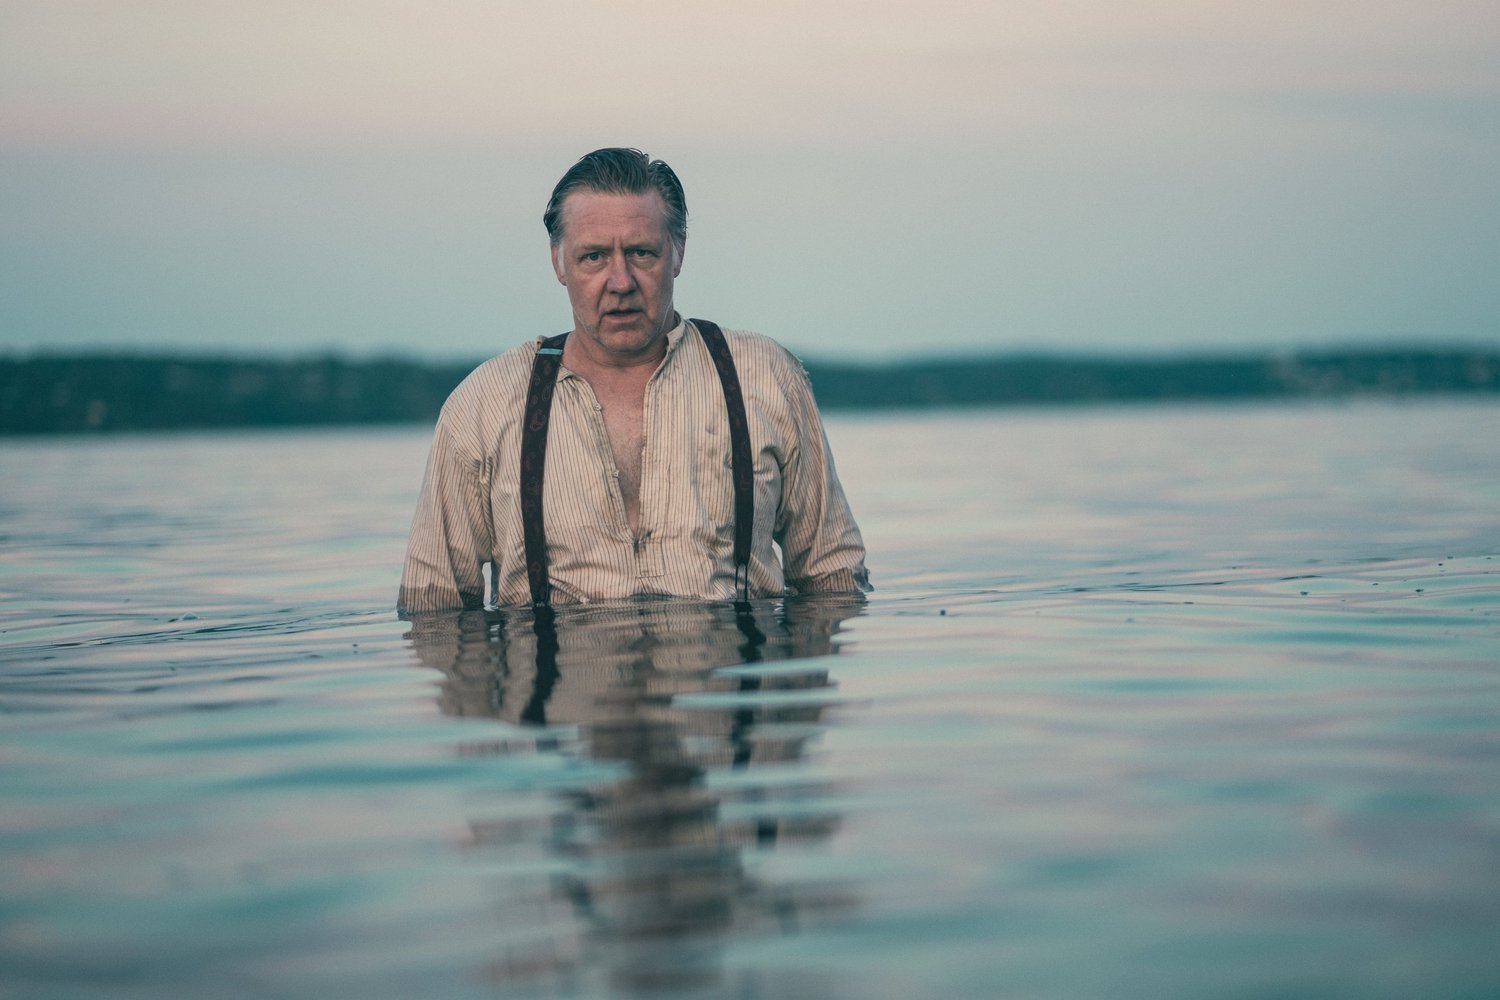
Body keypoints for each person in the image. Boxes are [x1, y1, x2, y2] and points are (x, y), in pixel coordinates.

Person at [398, 147, 868, 613]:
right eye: (594, 257)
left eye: (642, 253)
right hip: (555, 681)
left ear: (678, 252)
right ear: (558, 262)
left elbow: (833, 578)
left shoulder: (765, 379)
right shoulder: (483, 405)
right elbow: (432, 608)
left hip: (729, 681)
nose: (620, 281)